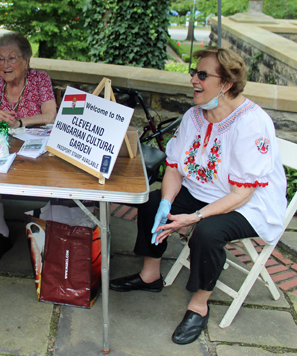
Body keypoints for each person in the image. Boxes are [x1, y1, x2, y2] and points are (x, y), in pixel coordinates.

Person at [109, 47, 286, 345]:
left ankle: (199, 304)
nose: (193, 79)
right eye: (194, 72)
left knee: (206, 232)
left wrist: (196, 216)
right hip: (204, 189)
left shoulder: (251, 123)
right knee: (151, 204)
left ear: (226, 84)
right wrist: (167, 202)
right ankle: (150, 275)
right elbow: (176, 169)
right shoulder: (194, 116)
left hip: (249, 203)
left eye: (202, 75)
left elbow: (243, 192)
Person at [0, 32, 56, 263]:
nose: (5, 64)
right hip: (2, 146)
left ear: (26, 60)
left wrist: (20, 122)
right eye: (0, 59)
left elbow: (50, 115)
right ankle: (0, 233)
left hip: (34, 151)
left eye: (11, 58)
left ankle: (57, 232)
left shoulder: (40, 79)